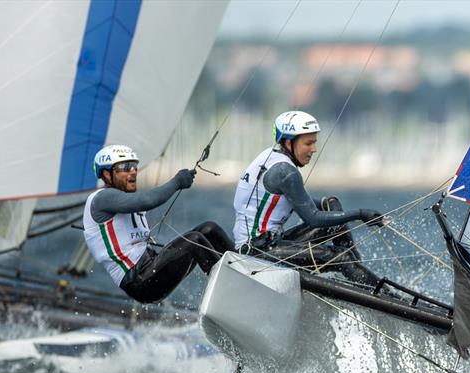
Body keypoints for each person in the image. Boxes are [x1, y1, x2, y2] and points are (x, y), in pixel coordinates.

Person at [233, 111, 385, 287]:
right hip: (256, 253)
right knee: (340, 257)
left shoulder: (272, 157)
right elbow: (313, 219)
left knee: (334, 215)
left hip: (269, 243)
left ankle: (358, 279)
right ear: (289, 142)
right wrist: (360, 214)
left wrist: (328, 203)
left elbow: (296, 200)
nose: (314, 149)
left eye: (314, 142)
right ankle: (388, 300)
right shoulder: (285, 171)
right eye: (308, 143)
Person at [83, 145, 236, 303]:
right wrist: (177, 182)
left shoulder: (123, 198)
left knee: (209, 229)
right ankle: (232, 291)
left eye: (134, 166)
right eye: (125, 167)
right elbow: (148, 200)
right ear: (107, 174)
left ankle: (247, 267)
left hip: (152, 267)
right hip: (139, 282)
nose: (133, 171)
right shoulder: (102, 199)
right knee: (194, 240)